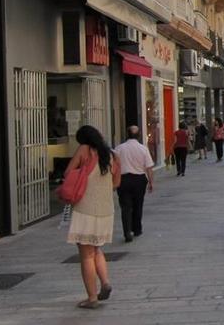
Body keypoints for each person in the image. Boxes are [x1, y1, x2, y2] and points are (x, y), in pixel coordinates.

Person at [66, 125, 121, 309]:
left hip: (85, 208)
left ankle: (92, 298)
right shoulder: (112, 155)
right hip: (106, 209)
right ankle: (105, 282)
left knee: (86, 255)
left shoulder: (84, 150)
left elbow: (68, 173)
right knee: (97, 250)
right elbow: (116, 182)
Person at [113, 126, 154, 242]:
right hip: (139, 180)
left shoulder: (119, 149)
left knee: (125, 206)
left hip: (124, 179)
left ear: (127, 134)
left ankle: (127, 230)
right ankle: (137, 229)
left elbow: (114, 166)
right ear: (139, 135)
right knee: (138, 204)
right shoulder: (143, 149)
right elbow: (149, 167)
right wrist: (151, 182)